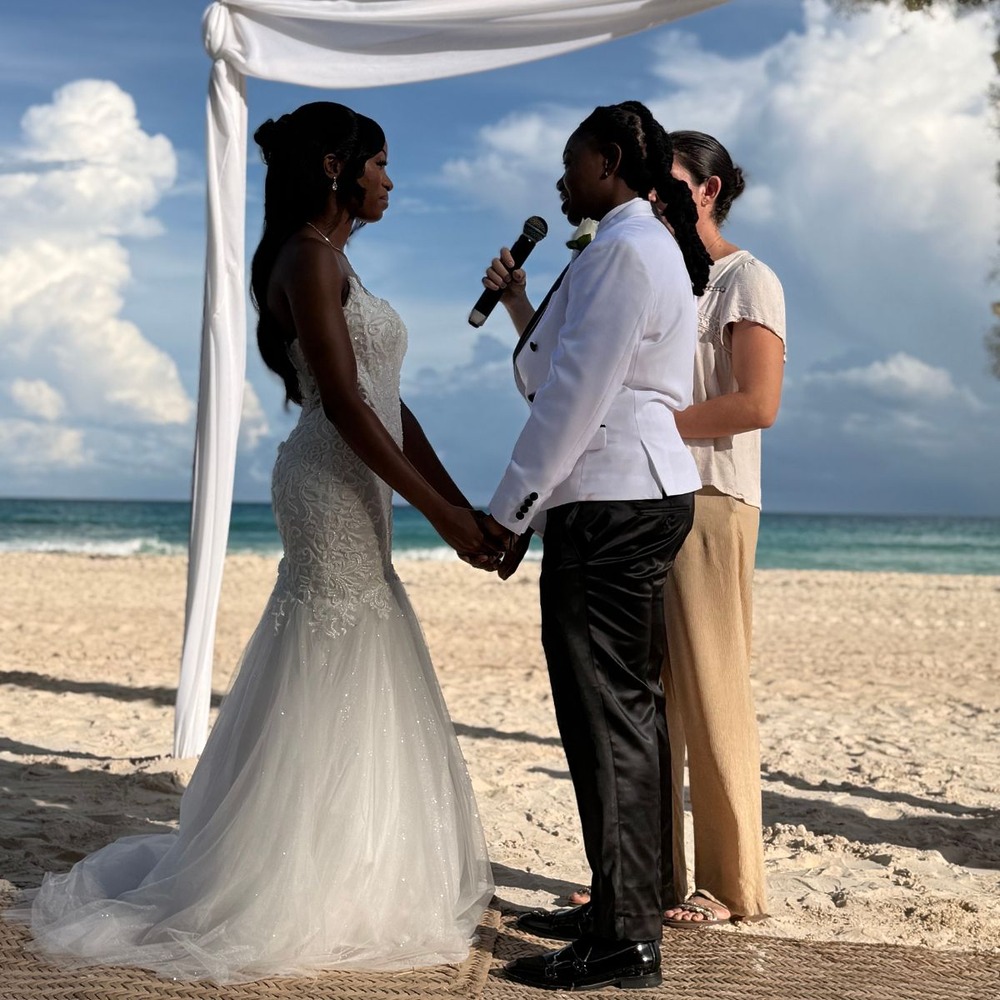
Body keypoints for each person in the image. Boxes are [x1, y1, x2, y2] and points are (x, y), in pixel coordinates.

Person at [6, 102, 495, 983]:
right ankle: (301, 876)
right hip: (328, 479)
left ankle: (354, 865)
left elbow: (389, 400)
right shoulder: (307, 259)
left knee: (359, 654)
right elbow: (345, 405)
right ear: (339, 167)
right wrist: (445, 519)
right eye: (381, 163)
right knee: (334, 653)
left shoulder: (337, 260)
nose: (392, 179)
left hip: (359, 477)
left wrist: (463, 509)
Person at [480, 101, 711, 991]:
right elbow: (545, 366)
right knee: (630, 714)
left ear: (609, 161)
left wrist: (509, 512)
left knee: (606, 719)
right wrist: (519, 305)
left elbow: (572, 396)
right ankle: (630, 904)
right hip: (636, 492)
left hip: (610, 498)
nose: (559, 181)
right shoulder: (626, 245)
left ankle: (623, 939)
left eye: (570, 164)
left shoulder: (621, 248)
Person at [566, 131, 786, 928]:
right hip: (645, 495)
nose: (653, 196)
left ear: (710, 189)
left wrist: (653, 427)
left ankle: (729, 888)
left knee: (710, 689)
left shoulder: (746, 279)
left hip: (714, 497)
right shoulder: (656, 275)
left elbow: (757, 405)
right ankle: (649, 879)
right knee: (643, 696)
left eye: (671, 183)